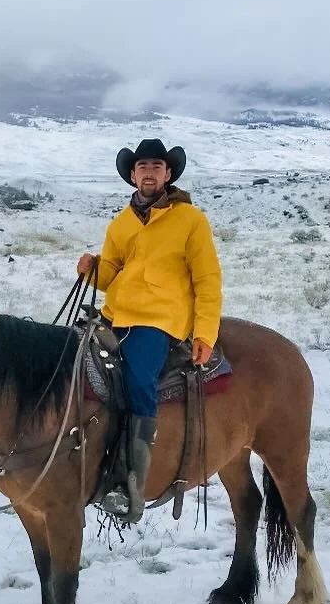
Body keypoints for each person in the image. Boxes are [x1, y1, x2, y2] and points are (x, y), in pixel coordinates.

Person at [76, 138, 223, 522]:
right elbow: (110, 275)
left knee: (139, 378)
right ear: (132, 175)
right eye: (143, 167)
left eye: (157, 166)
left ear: (168, 174)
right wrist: (94, 267)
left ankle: (131, 484)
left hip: (160, 319)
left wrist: (205, 333)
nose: (149, 173)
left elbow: (207, 279)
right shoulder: (121, 223)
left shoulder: (191, 220)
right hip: (116, 314)